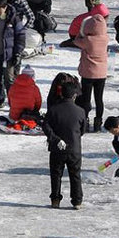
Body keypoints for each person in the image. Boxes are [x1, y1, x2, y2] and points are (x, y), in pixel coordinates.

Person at [42, 79, 87, 210]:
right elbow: (83, 130)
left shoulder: (53, 110)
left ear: (61, 93)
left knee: (56, 174)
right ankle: (77, 201)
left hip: (57, 148)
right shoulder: (80, 111)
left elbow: (46, 126)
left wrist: (55, 139)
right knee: (75, 175)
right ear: (74, 95)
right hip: (74, 148)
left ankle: (55, 200)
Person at [74, 14, 108, 132]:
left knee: (86, 99)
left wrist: (82, 32)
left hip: (88, 74)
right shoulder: (105, 38)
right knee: (99, 99)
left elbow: (76, 41)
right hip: (102, 74)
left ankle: (85, 121)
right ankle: (98, 123)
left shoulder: (88, 40)